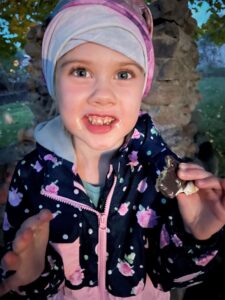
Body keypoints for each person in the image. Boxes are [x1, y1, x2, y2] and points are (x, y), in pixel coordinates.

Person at [0, 0, 225, 299]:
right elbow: (24, 280)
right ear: (53, 80)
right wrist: (34, 273)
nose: (103, 95)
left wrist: (199, 234)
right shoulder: (31, 177)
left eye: (123, 74)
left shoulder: (161, 171)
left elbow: (171, 275)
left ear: (143, 84)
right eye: (81, 72)